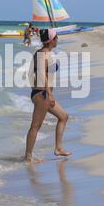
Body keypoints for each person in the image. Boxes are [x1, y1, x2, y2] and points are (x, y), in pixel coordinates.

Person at [25, 28, 71, 163]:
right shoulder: (42, 55)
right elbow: (41, 75)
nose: (57, 39)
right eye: (56, 37)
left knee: (63, 116)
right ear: (51, 40)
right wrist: (49, 94)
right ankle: (28, 157)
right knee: (36, 126)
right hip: (42, 94)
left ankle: (58, 148)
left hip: (43, 93)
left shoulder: (45, 53)